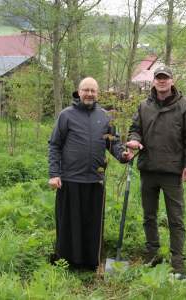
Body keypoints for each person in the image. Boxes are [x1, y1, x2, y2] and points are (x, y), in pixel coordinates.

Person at [48, 77, 133, 271]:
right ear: (78, 92)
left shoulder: (105, 116)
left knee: (92, 224)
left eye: (93, 90)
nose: (89, 94)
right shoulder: (66, 115)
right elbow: (55, 145)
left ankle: (90, 262)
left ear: (98, 93)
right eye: (85, 90)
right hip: (70, 179)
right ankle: (67, 262)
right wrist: (54, 173)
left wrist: (123, 155)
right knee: (70, 223)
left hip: (95, 180)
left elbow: (114, 143)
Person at [126, 66, 186, 279]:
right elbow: (135, 128)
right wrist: (134, 140)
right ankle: (151, 254)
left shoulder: (185, 107)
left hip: (172, 171)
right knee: (149, 216)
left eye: (165, 78)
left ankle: (177, 263)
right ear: (154, 81)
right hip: (148, 169)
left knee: (175, 218)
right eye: (158, 78)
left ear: (172, 81)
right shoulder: (143, 106)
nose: (162, 81)